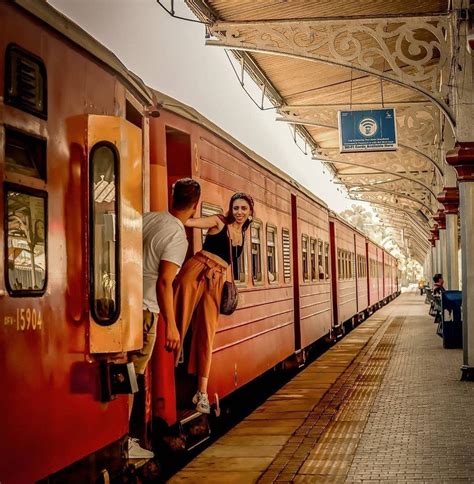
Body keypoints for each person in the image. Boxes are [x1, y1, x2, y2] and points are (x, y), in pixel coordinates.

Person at [128, 178, 201, 459]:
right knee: (137, 375)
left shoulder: (148, 219)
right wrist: (171, 325)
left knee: (126, 374)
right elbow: (164, 283)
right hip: (146, 310)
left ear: (173, 198)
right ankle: (131, 440)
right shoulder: (176, 237)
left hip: (125, 303)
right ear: (195, 206)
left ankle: (130, 437)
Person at [173, 192, 254, 414]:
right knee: (178, 319)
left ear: (250, 213)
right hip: (197, 270)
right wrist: (181, 212)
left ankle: (201, 393)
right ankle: (168, 367)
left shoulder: (242, 234)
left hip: (217, 279)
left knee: (207, 333)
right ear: (230, 209)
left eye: (243, 209)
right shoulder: (218, 221)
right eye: (236, 208)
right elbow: (189, 222)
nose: (239, 212)